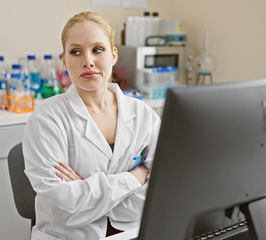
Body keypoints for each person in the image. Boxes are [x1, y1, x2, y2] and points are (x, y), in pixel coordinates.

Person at [23, 11, 161, 240]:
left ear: (114, 55)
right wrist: (133, 178)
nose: (88, 61)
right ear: (64, 59)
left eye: (98, 49)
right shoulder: (46, 120)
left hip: (134, 233)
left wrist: (88, 196)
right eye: (76, 52)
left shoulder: (144, 115)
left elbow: (160, 191)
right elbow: (62, 209)